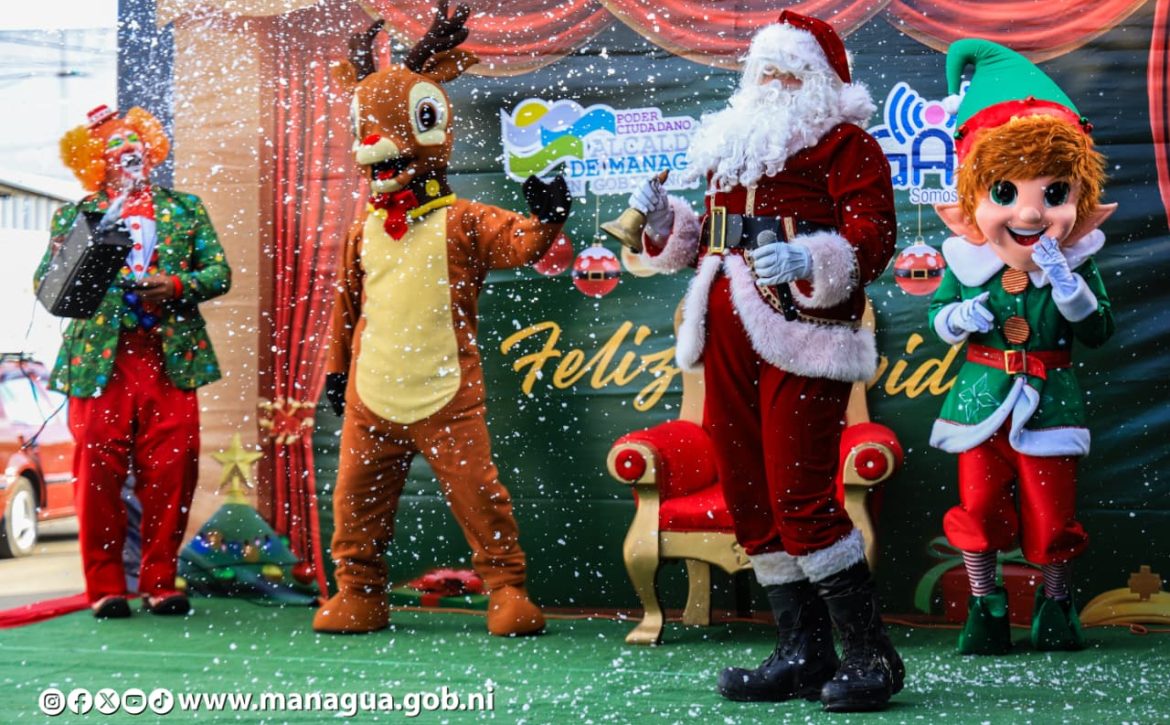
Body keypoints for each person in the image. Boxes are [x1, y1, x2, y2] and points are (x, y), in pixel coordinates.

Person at [628, 11, 902, 712]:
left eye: (791, 72)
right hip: (725, 332)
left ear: (822, 82)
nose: (775, 83)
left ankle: (871, 654)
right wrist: (663, 222)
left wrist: (810, 257)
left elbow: (873, 237)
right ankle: (802, 651)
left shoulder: (846, 145)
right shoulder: (733, 143)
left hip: (803, 332)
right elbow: (706, 240)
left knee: (799, 494)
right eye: (765, 70)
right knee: (749, 492)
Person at [928, 39, 1115, 655]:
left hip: (1052, 401)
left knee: (1053, 515)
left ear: (1080, 200)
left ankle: (1056, 609)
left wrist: (1069, 288)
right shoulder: (966, 262)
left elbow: (1098, 330)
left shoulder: (1078, 266)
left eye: (1053, 195)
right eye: (1005, 194)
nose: (1031, 214)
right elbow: (937, 317)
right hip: (978, 402)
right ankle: (986, 607)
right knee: (978, 509)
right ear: (973, 201)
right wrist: (960, 315)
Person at [36, 105, 231, 618]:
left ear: (150, 146)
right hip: (100, 362)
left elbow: (219, 273)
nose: (127, 149)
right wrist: (81, 264)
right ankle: (105, 587)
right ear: (95, 160)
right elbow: (46, 286)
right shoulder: (77, 215)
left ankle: (160, 581)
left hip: (169, 358)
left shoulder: (185, 208)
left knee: (172, 471)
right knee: (97, 475)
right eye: (113, 144)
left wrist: (177, 285)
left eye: (133, 139)